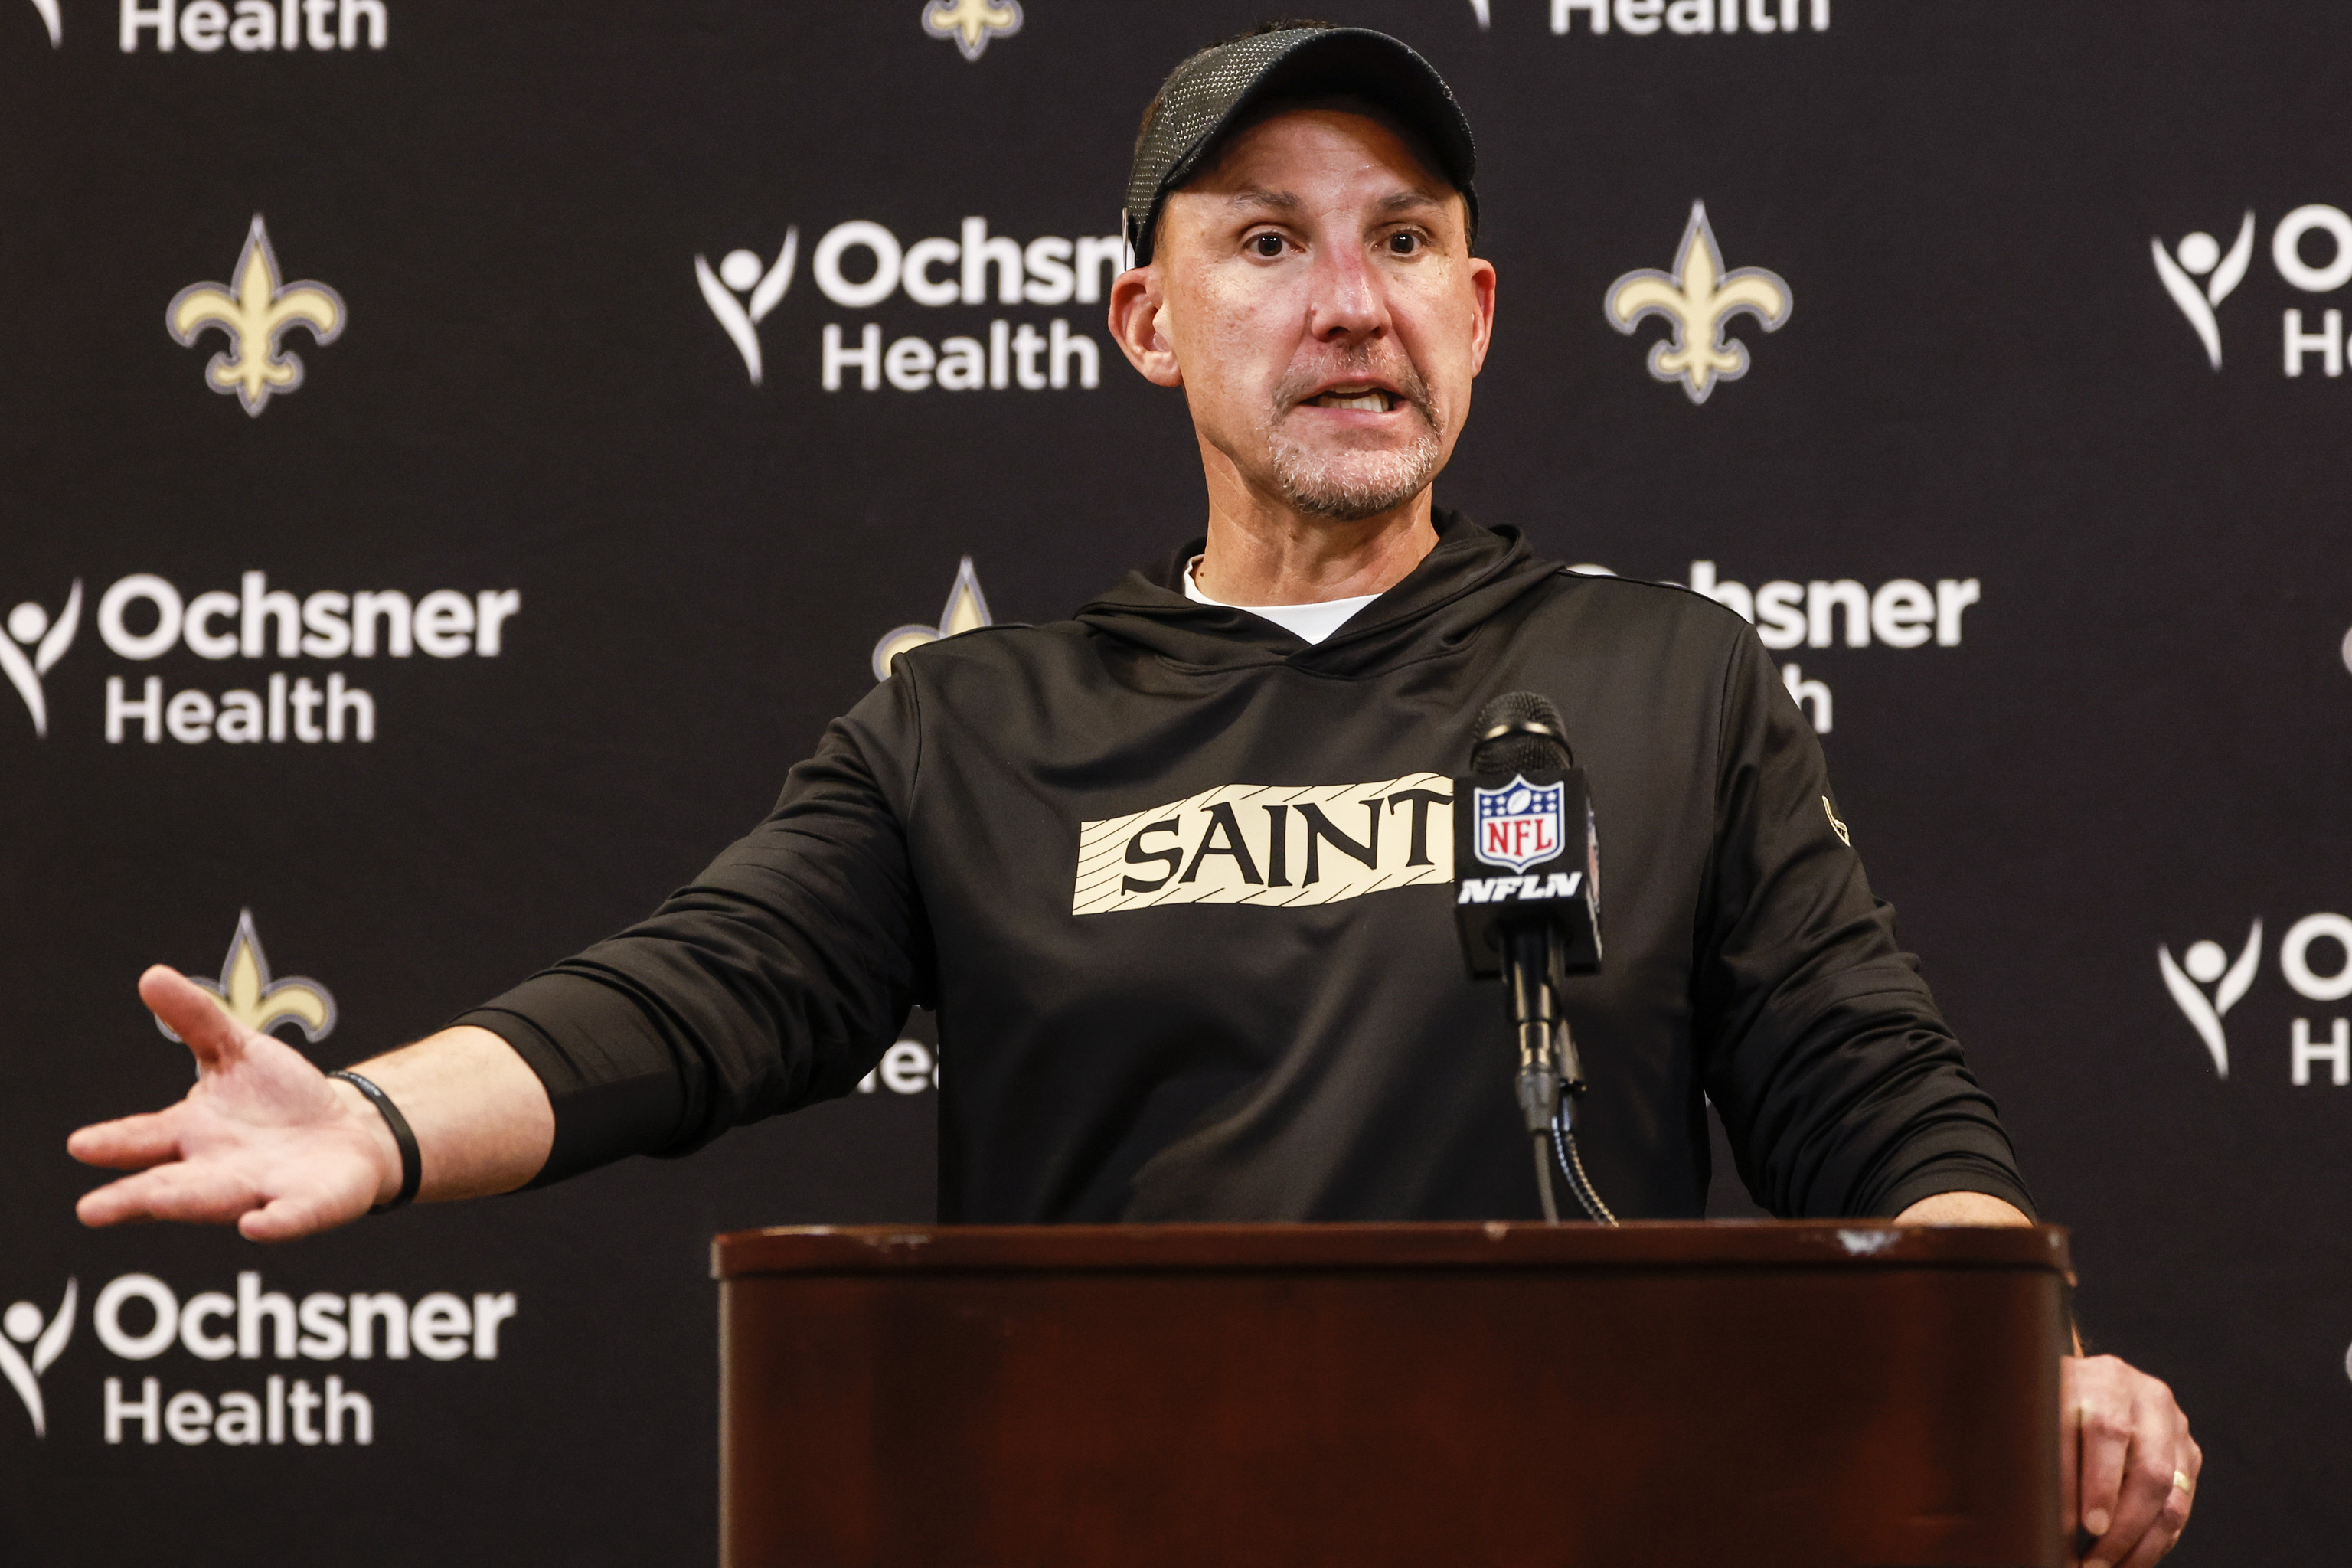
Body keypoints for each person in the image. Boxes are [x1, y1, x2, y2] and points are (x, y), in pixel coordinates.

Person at [68, 24, 2194, 1567]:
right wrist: (369, 1117)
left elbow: (1880, 1102)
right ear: (1145, 322)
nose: (1347, 304)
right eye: (1265, 243)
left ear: (1478, 311)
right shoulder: (974, 726)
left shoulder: (1666, 681)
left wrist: (2027, 1360)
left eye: (1403, 242)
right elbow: (691, 1001)